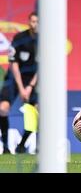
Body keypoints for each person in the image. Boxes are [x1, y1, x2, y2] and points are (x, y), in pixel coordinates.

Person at [0, 11, 38, 154]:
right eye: (33, 21)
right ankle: (5, 147)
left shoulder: (44, 41)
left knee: (37, 112)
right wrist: (22, 88)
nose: (35, 24)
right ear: (29, 22)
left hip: (32, 81)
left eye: (37, 22)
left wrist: (30, 87)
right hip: (15, 78)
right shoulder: (20, 38)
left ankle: (22, 144)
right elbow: (13, 64)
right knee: (3, 108)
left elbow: (41, 67)